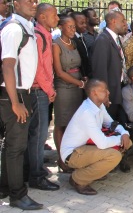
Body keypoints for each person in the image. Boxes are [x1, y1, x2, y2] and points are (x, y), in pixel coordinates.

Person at [0, 0, 42, 210]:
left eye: (36, 1)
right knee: (17, 147)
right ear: (15, 4)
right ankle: (17, 196)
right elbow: (7, 65)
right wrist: (16, 102)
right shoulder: (14, 29)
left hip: (20, 92)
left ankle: (6, 187)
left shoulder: (26, 26)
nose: (34, 4)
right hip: (12, 94)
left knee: (12, 146)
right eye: (29, 1)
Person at [61, 79, 132, 195]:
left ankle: (92, 172)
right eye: (104, 90)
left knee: (127, 142)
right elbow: (102, 143)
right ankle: (78, 179)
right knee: (114, 156)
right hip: (72, 154)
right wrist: (120, 139)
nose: (108, 93)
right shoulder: (87, 112)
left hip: (85, 148)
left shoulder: (98, 106)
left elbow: (111, 123)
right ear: (94, 93)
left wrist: (125, 133)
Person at [27, 3, 60, 191]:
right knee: (38, 136)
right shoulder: (39, 37)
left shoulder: (45, 35)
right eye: (53, 15)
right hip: (39, 90)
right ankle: (36, 176)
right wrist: (49, 89)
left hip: (43, 90)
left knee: (38, 135)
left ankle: (35, 170)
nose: (57, 18)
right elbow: (38, 67)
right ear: (42, 17)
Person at [52, 15, 85, 173]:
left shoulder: (74, 43)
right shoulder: (56, 45)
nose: (73, 29)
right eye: (69, 26)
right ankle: (61, 158)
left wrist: (82, 79)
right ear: (61, 27)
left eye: (74, 26)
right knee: (62, 123)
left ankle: (72, 156)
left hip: (77, 87)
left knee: (73, 123)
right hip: (64, 87)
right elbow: (59, 72)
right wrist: (78, 83)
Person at [91, 9, 129, 123]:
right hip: (109, 93)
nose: (125, 24)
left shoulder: (116, 39)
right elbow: (100, 70)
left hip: (117, 89)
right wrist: (104, 94)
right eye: (122, 21)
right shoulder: (103, 40)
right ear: (113, 21)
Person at [70, 11, 91, 78]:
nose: (85, 25)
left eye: (85, 23)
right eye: (82, 23)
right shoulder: (72, 40)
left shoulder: (81, 37)